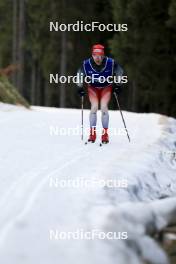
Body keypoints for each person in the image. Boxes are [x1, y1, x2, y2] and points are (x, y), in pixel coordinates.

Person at [77, 44, 124, 143]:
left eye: (100, 56)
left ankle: (105, 135)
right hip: (93, 88)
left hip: (106, 87)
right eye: (95, 55)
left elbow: (119, 71)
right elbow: (79, 74)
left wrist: (118, 84)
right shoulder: (86, 63)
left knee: (103, 107)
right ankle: (92, 133)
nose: (97, 58)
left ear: (103, 55)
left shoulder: (110, 62)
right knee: (94, 107)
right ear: (92, 55)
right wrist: (79, 87)